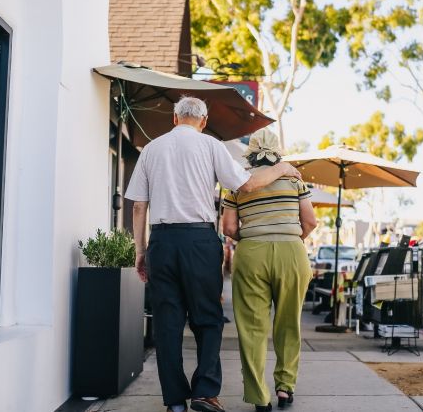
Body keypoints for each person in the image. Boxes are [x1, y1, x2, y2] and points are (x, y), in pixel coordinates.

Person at [126, 96, 302, 412]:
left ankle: (175, 402)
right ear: (204, 121)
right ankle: (204, 393)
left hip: (162, 242)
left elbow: (139, 205)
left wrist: (141, 251)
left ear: (174, 118)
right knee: (208, 318)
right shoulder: (211, 146)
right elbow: (247, 185)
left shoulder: (151, 149)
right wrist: (283, 168)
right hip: (199, 240)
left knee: (167, 323)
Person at [221, 129, 317, 412]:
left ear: (250, 151)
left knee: (252, 328)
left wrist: (253, 237)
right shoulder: (294, 179)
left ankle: (259, 396)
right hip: (291, 252)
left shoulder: (238, 183)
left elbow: (228, 228)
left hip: (251, 253)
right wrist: (288, 238)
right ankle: (285, 388)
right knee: (289, 323)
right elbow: (309, 221)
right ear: (278, 151)